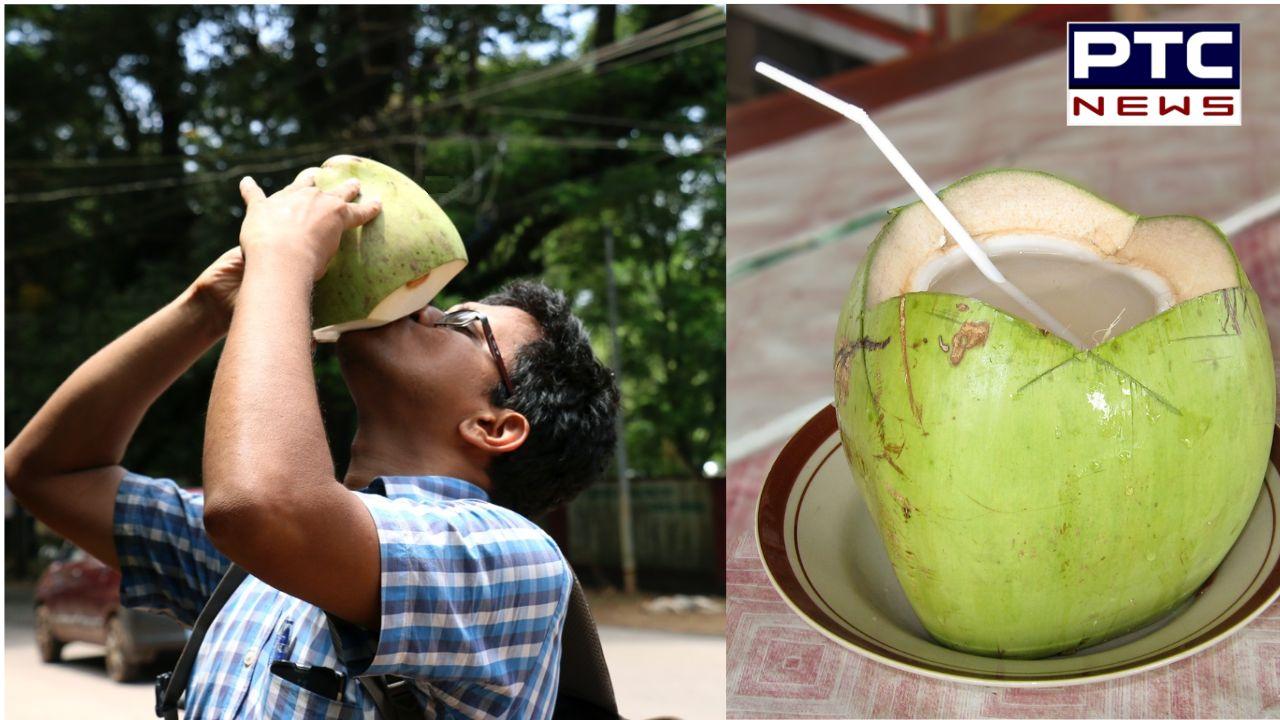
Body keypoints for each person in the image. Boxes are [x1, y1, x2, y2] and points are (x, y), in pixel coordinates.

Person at [4, 169, 619, 718]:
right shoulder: (257, 568)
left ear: (494, 426)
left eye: (464, 323)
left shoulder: (514, 558)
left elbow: (262, 507)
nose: (429, 312)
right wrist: (208, 308)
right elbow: (47, 473)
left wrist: (284, 263)